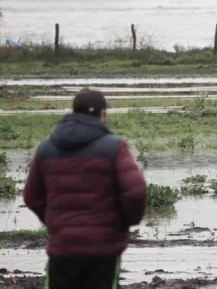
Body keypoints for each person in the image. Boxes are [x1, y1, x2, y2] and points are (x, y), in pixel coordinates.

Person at [23, 89, 148, 289]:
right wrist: (124, 223)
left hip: (63, 247)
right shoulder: (115, 147)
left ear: (74, 112)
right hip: (103, 249)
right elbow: (136, 192)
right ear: (102, 114)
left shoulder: (46, 148)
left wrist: (57, 223)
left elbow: (31, 196)